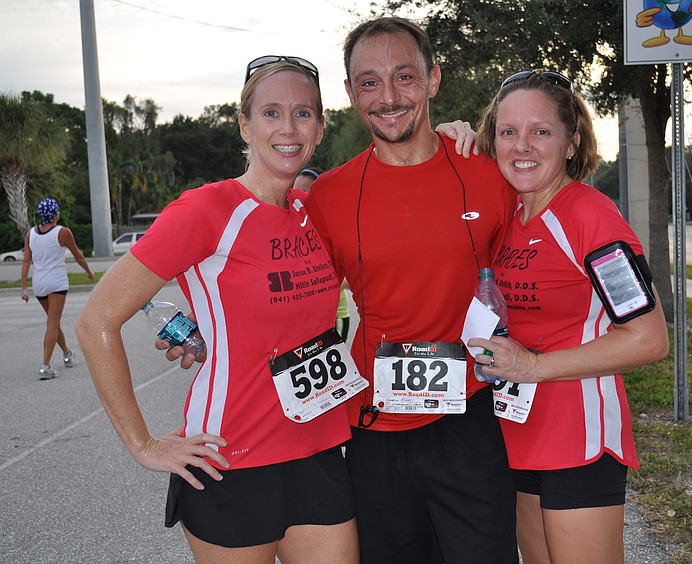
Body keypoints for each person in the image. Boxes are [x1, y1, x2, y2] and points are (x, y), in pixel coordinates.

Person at [75, 56, 359, 563]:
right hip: (231, 460)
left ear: (319, 128)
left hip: (319, 454)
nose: (289, 128)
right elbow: (97, 319)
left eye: (304, 113)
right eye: (271, 113)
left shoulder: (316, 213)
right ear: (244, 125)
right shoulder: (206, 209)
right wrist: (142, 444)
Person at [305, 17, 520, 564]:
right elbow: (288, 297)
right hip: (371, 430)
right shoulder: (327, 196)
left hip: (469, 421)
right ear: (351, 93)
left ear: (432, 80)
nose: (389, 97)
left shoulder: (488, 176)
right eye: (369, 82)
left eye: (405, 76)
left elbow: (539, 270)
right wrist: (205, 338)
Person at [468, 70, 670, 563]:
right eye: (508, 131)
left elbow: (648, 338)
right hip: (518, 431)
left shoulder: (590, 216)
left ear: (571, 142)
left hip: (578, 438)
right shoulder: (510, 215)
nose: (523, 146)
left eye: (541, 131)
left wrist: (535, 367)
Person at [21, 198, 94, 379]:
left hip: (39, 284)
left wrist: (24, 287)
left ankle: (67, 354)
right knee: (52, 322)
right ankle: (45, 367)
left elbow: (26, 261)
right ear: (56, 214)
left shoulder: (31, 234)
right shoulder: (62, 232)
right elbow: (77, 255)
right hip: (56, 282)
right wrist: (89, 271)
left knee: (53, 321)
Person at [291, 166, 352, 341]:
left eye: (304, 191)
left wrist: (320, 285)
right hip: (302, 321)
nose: (297, 196)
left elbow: (353, 277)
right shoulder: (290, 230)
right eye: (294, 189)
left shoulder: (334, 230)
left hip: (333, 318)